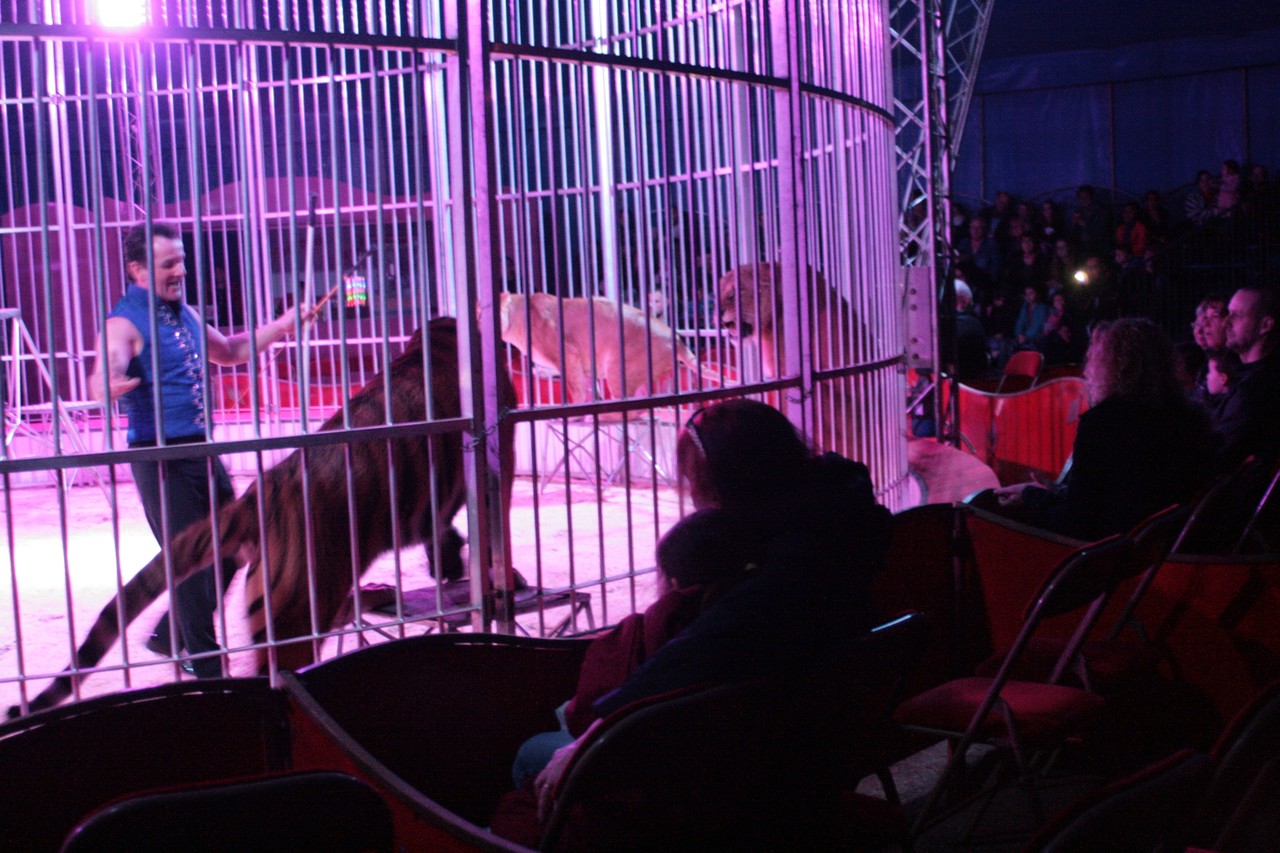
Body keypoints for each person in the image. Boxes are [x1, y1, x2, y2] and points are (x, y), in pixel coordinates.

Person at [509, 399, 892, 831]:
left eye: (695, 483)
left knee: (534, 752)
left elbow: (694, 653)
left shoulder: (779, 576)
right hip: (807, 746)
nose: (692, 495)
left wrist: (598, 729)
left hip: (747, 770)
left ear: (726, 482)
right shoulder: (843, 524)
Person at [88, 222, 313, 676]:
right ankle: (205, 664)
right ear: (137, 269)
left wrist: (285, 325)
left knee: (236, 544)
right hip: (161, 457)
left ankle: (169, 635)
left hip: (199, 449)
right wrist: (107, 383)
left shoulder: (183, 313)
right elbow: (105, 367)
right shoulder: (124, 321)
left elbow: (230, 350)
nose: (180, 270)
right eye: (168, 263)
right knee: (190, 562)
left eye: (182, 260)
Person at [508, 507, 763, 791]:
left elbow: (599, 704)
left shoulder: (663, 628)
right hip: (727, 764)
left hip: (655, 765)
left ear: (674, 583)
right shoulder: (767, 613)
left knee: (532, 750)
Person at [994, 318, 1217, 540]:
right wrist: (1042, 494)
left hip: (1113, 558)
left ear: (1108, 366)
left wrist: (1030, 497)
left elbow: (1077, 521)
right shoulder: (1192, 418)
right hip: (1168, 550)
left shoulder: (1102, 423)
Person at [1213, 285, 1280, 467]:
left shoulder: (1257, 389)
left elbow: (1215, 455)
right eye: (1228, 313)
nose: (1226, 322)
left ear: (1265, 325)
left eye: (1237, 315)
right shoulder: (1249, 378)